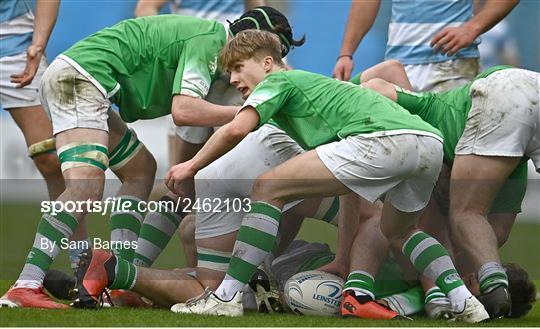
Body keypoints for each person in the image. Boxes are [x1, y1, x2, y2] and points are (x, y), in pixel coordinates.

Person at [163, 30, 488, 322]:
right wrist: (343, 255)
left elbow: (236, 128)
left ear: (266, 63)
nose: (233, 78)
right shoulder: (320, 95)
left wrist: (191, 166)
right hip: (428, 143)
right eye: (229, 71)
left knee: (267, 187)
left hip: (384, 141)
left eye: (238, 67)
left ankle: (227, 296)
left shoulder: (279, 81)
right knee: (401, 232)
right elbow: (350, 191)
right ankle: (464, 301)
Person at [0, 7, 297, 309]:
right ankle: (25, 285)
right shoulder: (211, 41)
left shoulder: (220, 71)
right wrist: (252, 114)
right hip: (80, 79)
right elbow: (184, 111)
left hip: (86, 82)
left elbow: (185, 165)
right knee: (86, 186)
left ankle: (118, 278)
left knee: (141, 169)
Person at [357, 61, 538, 318]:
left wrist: (336, 96)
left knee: (465, 213)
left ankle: (490, 287)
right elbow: (496, 232)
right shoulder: (508, 171)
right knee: (471, 225)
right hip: (526, 87)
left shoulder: (433, 115)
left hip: (504, 88)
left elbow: (381, 85)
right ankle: (468, 288)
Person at [133, 0, 266, 268]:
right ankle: (197, 278)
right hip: (196, 65)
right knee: (182, 187)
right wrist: (177, 38)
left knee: (231, 184)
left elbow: (258, 13)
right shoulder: (199, 38)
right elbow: (146, 9)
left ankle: (206, 280)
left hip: (234, 67)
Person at [332, 0, 519, 92]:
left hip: (450, 65)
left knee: (445, 156)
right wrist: (346, 54)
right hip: (396, 66)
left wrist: (472, 28)